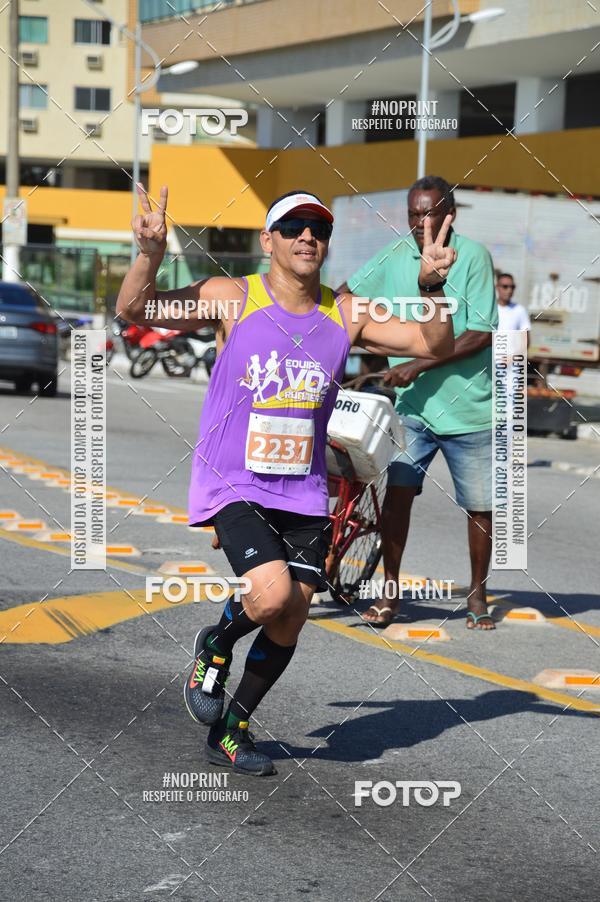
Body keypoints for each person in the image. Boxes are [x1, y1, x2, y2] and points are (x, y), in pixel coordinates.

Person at [116, 184, 457, 776]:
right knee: (270, 596)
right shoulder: (231, 296)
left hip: (303, 488)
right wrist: (149, 252)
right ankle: (216, 645)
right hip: (235, 480)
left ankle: (232, 727)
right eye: (294, 226)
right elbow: (135, 312)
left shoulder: (344, 311)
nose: (307, 236)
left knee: (293, 613)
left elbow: (433, 341)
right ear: (267, 240)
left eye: (318, 229)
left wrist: (432, 288)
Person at [338, 175, 498, 631]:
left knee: (480, 507)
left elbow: (479, 333)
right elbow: (346, 295)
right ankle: (390, 594)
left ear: (450, 213)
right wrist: (371, 340)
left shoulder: (473, 256)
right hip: (413, 410)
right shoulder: (393, 256)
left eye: (428, 212)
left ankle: (477, 594)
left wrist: (416, 364)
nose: (419, 221)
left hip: (470, 410)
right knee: (397, 500)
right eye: (413, 213)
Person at [496, 272, 531, 345]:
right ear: (497, 287)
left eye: (512, 287)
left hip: (511, 355)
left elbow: (525, 340)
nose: (509, 290)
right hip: (490, 355)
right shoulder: (490, 309)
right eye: (505, 286)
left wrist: (512, 356)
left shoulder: (520, 310)